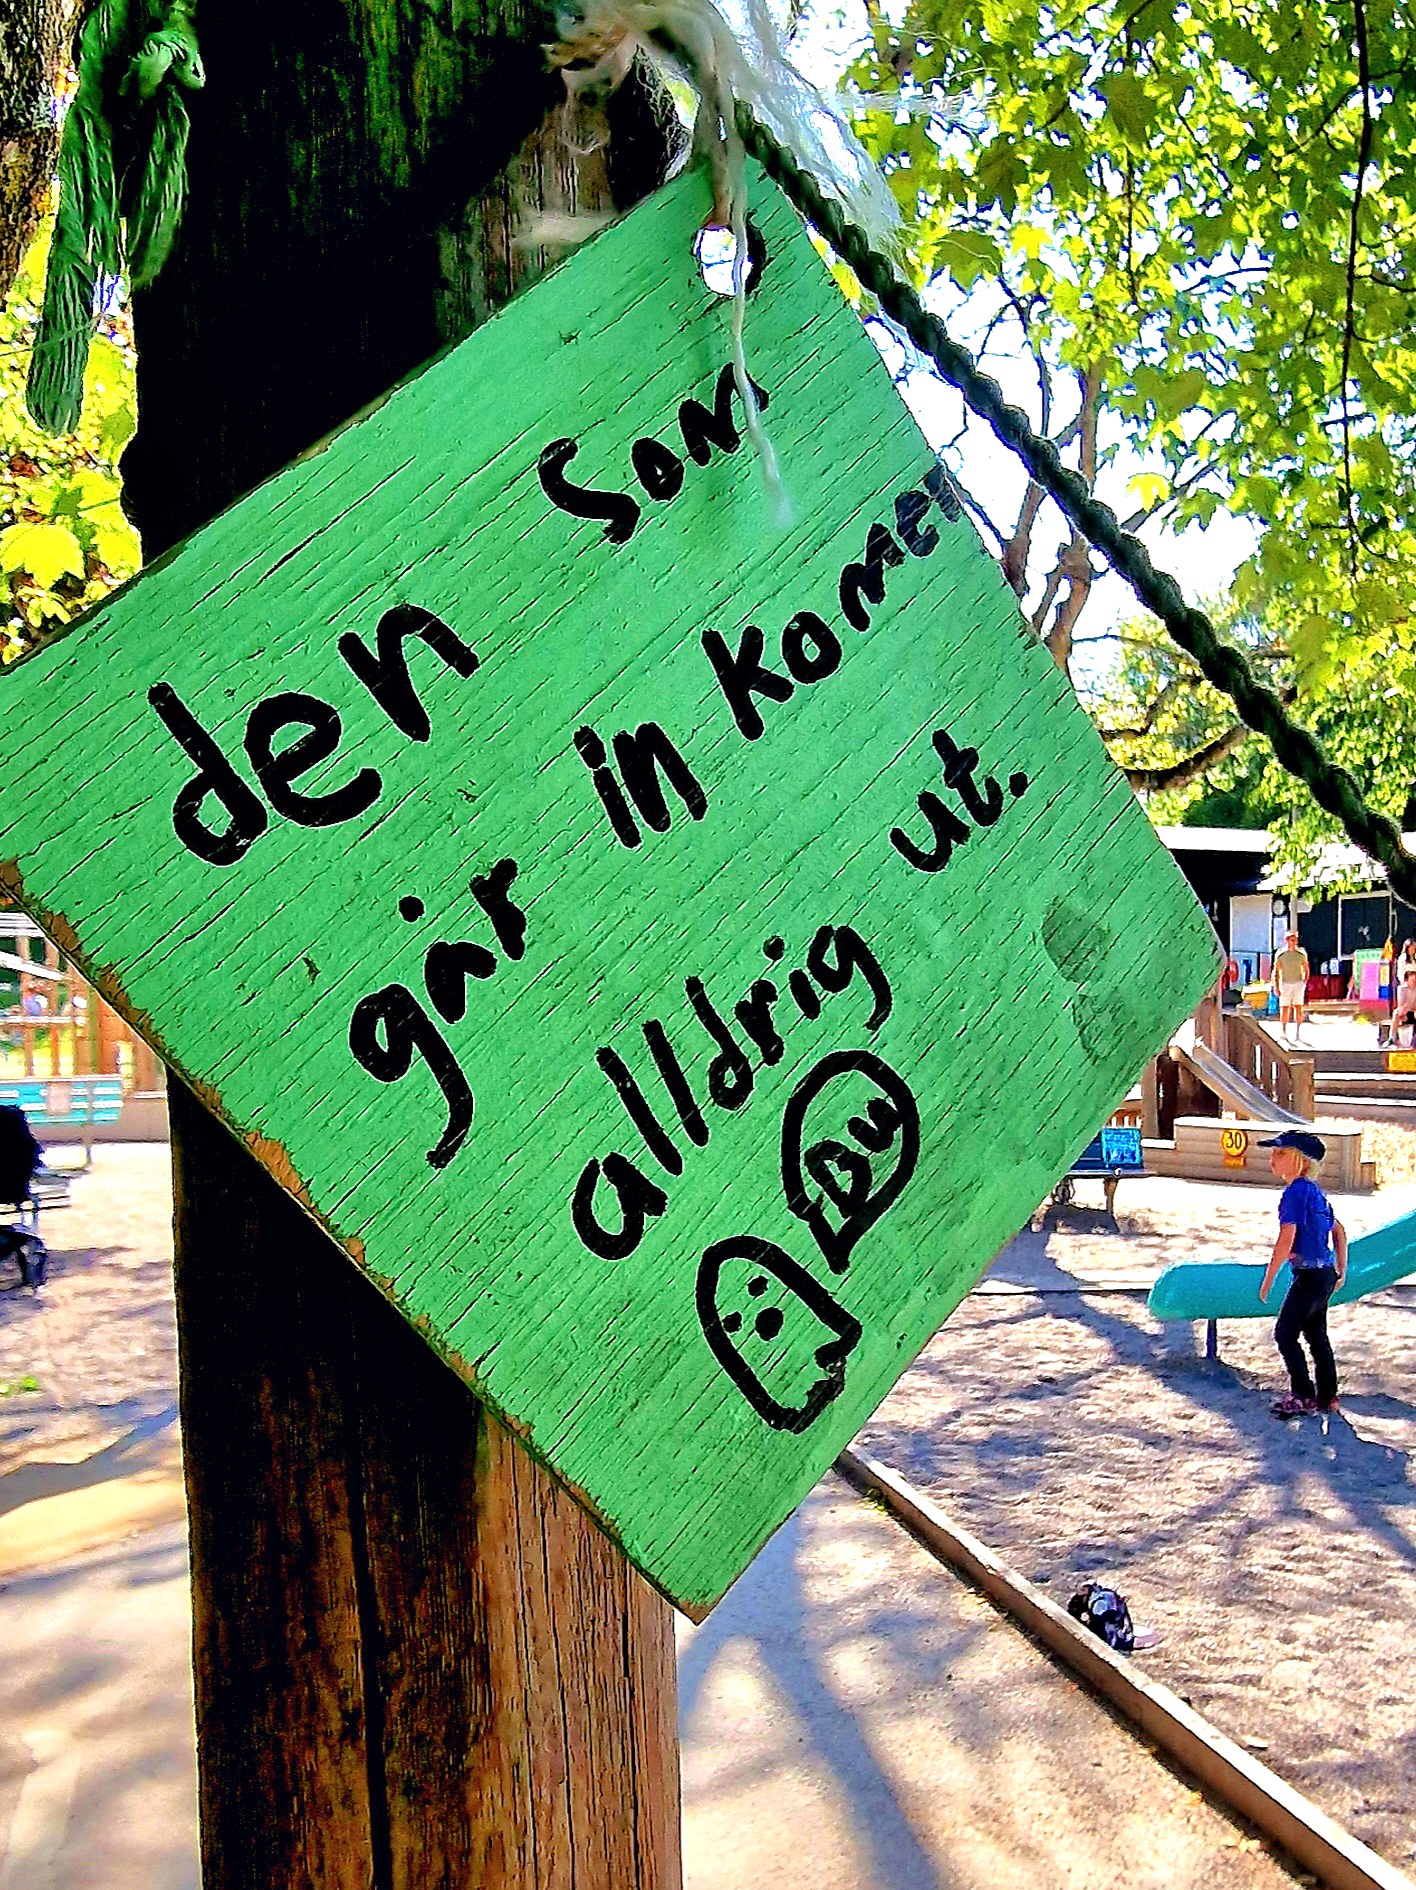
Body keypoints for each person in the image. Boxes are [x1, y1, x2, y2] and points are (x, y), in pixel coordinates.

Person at [1258, 1130, 1347, 1418]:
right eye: (1273, 1153)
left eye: (1281, 1153)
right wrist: (1340, 1269)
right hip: (1324, 1274)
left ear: (1302, 1161)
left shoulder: (1294, 1193)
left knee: (1285, 1334)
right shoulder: (1315, 1192)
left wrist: (1269, 1279)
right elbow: (1339, 1231)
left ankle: (1303, 1394)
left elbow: (1286, 1237)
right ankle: (1328, 1396)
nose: (1273, 1159)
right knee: (1316, 1336)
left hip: (1309, 1276)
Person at [1271, 930, 1309, 1041]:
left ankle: (1298, 1033)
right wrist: (1276, 986)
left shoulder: (1301, 954)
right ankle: (1283, 1032)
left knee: (1298, 1007)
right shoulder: (1281, 954)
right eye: (1291, 940)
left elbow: (1306, 968)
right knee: (1284, 1008)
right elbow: (1276, 971)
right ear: (1286, 940)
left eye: (1295, 940)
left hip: (1297, 983)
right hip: (1285, 983)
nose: (1293, 942)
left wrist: (1304, 981)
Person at [1392, 968, 1416, 1048]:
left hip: (1414, 1010)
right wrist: (1404, 1012)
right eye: (1412, 980)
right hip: (1405, 1010)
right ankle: (1392, 1037)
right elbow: (1401, 1004)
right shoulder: (1402, 989)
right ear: (1407, 980)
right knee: (1396, 1013)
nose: (1414, 982)